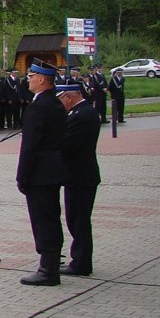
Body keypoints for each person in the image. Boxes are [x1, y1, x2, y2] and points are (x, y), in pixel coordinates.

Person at [16, 59, 68, 286]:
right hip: (54, 169)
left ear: (40, 80)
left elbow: (30, 146)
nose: (28, 80)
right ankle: (52, 265)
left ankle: (48, 271)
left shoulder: (37, 107)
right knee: (51, 217)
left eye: (31, 77)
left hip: (39, 171)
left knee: (42, 219)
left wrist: (22, 176)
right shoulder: (56, 103)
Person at [56, 82, 101, 277]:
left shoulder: (81, 115)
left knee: (78, 220)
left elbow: (67, 145)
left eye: (60, 100)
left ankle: (81, 263)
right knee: (77, 219)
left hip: (80, 175)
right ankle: (80, 260)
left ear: (69, 97)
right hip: (81, 175)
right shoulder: (84, 112)